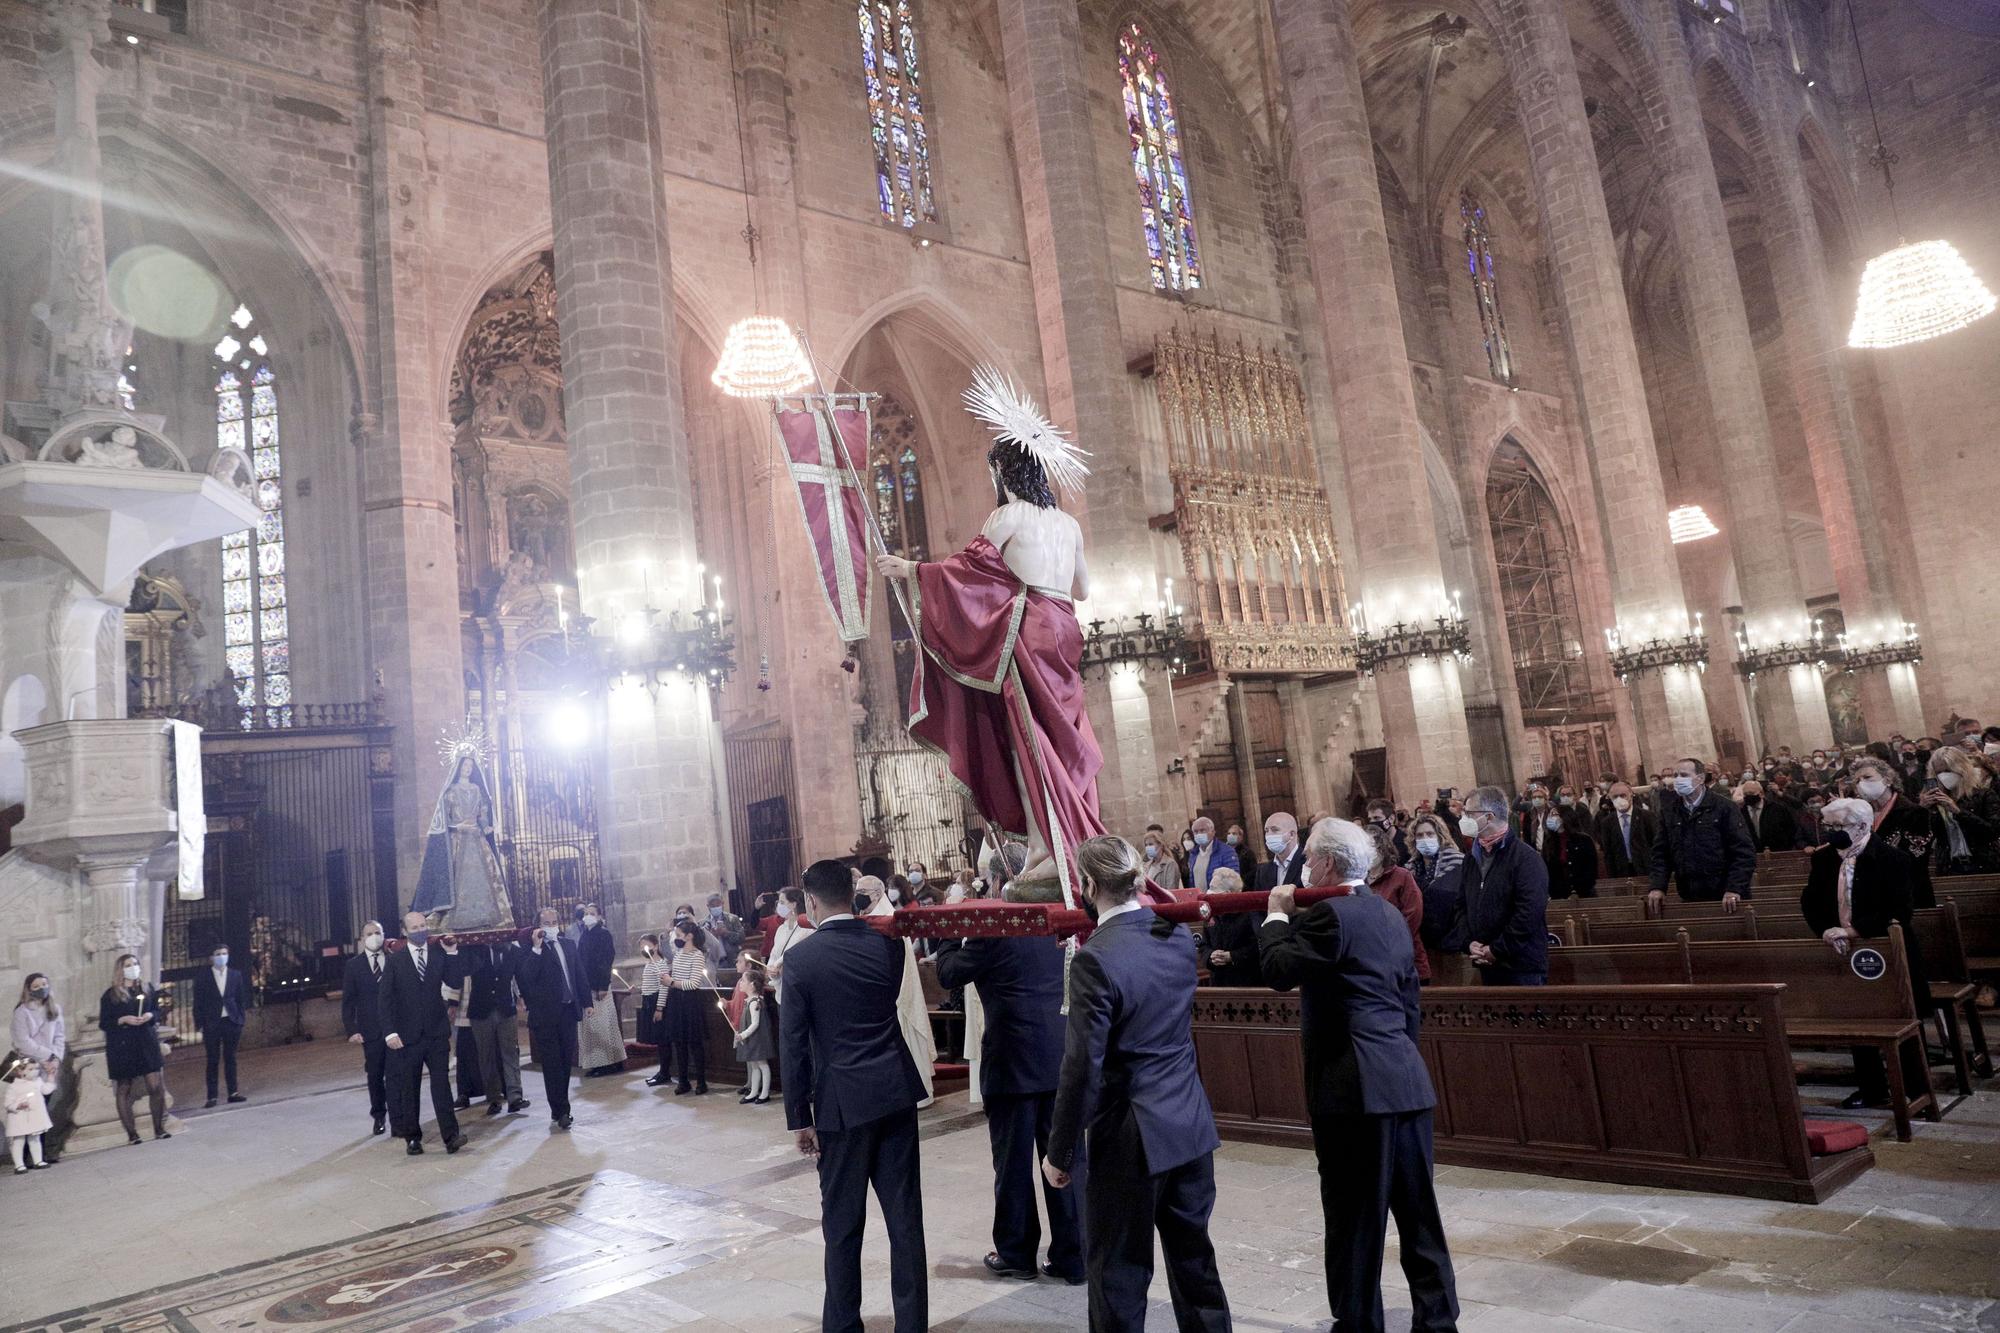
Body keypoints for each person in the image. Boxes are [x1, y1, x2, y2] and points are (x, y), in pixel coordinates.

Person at [874, 371, 1103, 900]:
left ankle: (1050, 853)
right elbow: (1084, 590)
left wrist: (909, 569)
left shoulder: (1008, 514)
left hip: (1029, 629)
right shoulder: (1068, 525)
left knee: (1031, 740)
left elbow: (966, 570)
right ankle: (1074, 838)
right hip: (1066, 630)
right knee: (1065, 737)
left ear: (1004, 470)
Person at [1260, 818, 1459, 1333]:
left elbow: (1280, 972)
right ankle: (1438, 1320)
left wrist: (1276, 917)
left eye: (1308, 856)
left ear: (1325, 863)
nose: (1303, 864)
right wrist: (1399, 1063)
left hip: (1354, 1090)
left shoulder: (1329, 915)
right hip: (1404, 1079)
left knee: (1354, 1216)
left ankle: (1358, 1322)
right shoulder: (1388, 913)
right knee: (1418, 1212)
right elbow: (1409, 1000)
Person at [1043, 835, 1231, 1332]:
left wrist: (1059, 1151)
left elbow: (1082, 1065)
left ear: (1087, 885)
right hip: (1188, 1122)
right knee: (1196, 1263)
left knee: (1119, 1270)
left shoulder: (1095, 958)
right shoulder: (1175, 938)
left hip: (1130, 1135)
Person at [783, 858, 930, 1333]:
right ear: (852, 894)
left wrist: (798, 1117)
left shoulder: (802, 959)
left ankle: (843, 1326)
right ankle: (912, 1325)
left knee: (843, 1226)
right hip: (893, 1092)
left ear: (810, 901)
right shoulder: (888, 947)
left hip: (840, 1106)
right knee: (905, 1220)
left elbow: (794, 1046)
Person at [932, 909, 1084, 1286]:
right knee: (1065, 1158)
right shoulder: (1056, 923)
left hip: (1012, 1061)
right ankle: (1074, 1255)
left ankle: (1017, 1253)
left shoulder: (995, 930)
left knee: (1013, 1164)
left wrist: (952, 929)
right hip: (1059, 1057)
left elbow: (949, 972)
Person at [1801, 798, 1933, 1110]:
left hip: (1888, 946)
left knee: (1903, 1015)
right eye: (1828, 826)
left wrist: (1852, 930)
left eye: (1838, 826)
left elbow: (1899, 910)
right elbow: (1810, 903)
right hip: (1843, 948)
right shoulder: (1824, 860)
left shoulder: (1893, 859)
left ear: (1862, 826)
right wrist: (1826, 930)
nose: (1831, 832)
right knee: (1857, 1016)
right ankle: (1872, 1088)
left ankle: (1918, 1088)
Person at [1434, 786, 1549, 986]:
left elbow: (1529, 913)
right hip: (1485, 961)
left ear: (1488, 817)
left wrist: (1497, 950)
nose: (1463, 819)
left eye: (1469, 813)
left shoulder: (1526, 858)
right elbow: (1462, 905)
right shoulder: (1472, 857)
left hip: (1521, 966)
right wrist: (1469, 942)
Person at [378, 913, 465, 1156]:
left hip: (436, 1032)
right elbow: (385, 1000)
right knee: (410, 1087)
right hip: (408, 1035)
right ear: (405, 932)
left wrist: (453, 953)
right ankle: (413, 1138)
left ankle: (451, 1136)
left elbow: (455, 980)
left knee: (441, 1086)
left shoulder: (438, 952)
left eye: (423, 926)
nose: (420, 930)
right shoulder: (396, 961)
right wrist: (389, 1033)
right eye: (415, 927)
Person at [860, 874, 937, 1108]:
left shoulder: (887, 917)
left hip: (898, 990)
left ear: (875, 893)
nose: (857, 895)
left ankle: (918, 1094)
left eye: (861, 891)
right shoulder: (872, 915)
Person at [515, 906, 589, 1130]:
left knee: (566, 1062)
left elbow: (578, 973)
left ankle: (561, 1106)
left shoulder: (568, 944)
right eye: (546, 923)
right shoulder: (528, 950)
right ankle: (560, 1110)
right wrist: (537, 949)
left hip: (568, 1012)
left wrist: (587, 1002)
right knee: (552, 1064)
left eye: (554, 921)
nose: (552, 926)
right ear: (538, 926)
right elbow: (526, 977)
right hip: (545, 1016)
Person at [1648, 758, 1756, 912]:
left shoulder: (1725, 807)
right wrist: (1657, 886)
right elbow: (1660, 853)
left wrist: (1735, 888)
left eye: (1684, 775)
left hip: (1726, 895)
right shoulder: (1670, 812)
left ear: (1700, 778)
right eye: (1676, 775)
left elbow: (1743, 852)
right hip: (1690, 894)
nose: (1678, 780)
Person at [99, 954, 169, 1144]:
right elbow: (104, 1023)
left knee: (155, 1086)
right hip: (123, 1044)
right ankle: (132, 1134)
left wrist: (149, 1015)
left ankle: (159, 1128)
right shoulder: (111, 994)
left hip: (146, 1041)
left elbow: (156, 1011)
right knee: (124, 1088)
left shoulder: (146, 989)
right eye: (128, 965)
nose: (133, 967)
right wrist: (123, 1019)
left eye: (135, 964)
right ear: (120, 970)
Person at [1851, 755, 1937, 907]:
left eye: (1867, 777)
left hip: (1908, 894)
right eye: (1857, 781)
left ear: (1888, 779)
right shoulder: (1860, 816)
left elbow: (1915, 860)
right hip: (1875, 896)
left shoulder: (1913, 813)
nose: (1861, 783)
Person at [456, 943, 527, 1117]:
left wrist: (523, 998)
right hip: (481, 1011)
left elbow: (520, 977)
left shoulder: (513, 950)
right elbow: (463, 970)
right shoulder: (474, 949)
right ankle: (494, 1097)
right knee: (486, 1055)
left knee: (510, 1052)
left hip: (505, 1009)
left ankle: (514, 1096)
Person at [340, 923, 392, 1134]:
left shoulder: (394, 959)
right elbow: (348, 1001)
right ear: (362, 939)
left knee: (397, 1074)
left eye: (378, 933)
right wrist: (351, 1029)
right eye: (369, 934)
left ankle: (399, 1115)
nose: (374, 937)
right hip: (371, 1031)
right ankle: (379, 1115)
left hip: (395, 1028)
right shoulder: (354, 965)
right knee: (375, 1074)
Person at [1364, 825, 1430, 984]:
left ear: (1382, 848)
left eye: (1370, 846)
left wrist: (1389, 942)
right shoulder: (1359, 880)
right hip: (1372, 964)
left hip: (1405, 958)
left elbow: (1414, 915)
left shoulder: (1401, 876)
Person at [10, 975, 64, 1165]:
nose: (42, 988)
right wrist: (47, 1057)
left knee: (45, 1110)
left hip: (50, 1067)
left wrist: (56, 1059)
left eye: (44, 984)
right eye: (36, 986)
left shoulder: (55, 1009)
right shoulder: (22, 1012)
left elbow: (59, 1036)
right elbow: (23, 1041)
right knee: (30, 1110)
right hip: (30, 1067)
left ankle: (42, 1152)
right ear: (28, 989)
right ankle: (25, 1156)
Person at [1925, 745, 2000, 874]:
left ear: (1961, 769)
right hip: (1949, 865)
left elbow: (1992, 831)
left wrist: (1958, 812)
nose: (1944, 776)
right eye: (1939, 772)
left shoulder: (1984, 795)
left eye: (1948, 770)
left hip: (1983, 863)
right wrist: (1923, 810)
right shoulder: (1935, 800)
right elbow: (1929, 838)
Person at [659, 917, 712, 1096]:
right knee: (679, 1043)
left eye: (679, 935)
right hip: (676, 1000)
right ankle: (683, 1080)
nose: (677, 938)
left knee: (694, 1043)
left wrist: (672, 981)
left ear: (689, 936)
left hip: (690, 1002)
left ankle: (701, 1082)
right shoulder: (679, 953)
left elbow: (694, 983)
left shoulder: (697, 955)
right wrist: (668, 979)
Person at [192, 941, 248, 1109]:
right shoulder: (203, 977)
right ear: (211, 958)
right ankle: (212, 1096)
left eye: (224, 953)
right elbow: (198, 1003)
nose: (221, 957)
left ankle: (233, 1092)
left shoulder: (235, 975)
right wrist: (200, 1023)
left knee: (231, 1058)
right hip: (212, 1022)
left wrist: (240, 1019)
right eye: (218, 954)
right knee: (212, 1059)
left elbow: (240, 999)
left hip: (231, 1021)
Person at [574, 903, 623, 1076]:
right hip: (586, 986)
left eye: (592, 913)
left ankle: (607, 1063)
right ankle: (596, 1063)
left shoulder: (603, 934)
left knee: (602, 1025)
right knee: (591, 1027)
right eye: (586, 913)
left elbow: (605, 960)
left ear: (600, 916)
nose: (588, 916)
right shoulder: (585, 934)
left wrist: (603, 985)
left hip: (598, 986)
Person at [1201, 866, 1262, 988]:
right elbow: (1203, 945)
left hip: (1246, 983)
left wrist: (1232, 956)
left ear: (1227, 894)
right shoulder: (1210, 914)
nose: (1208, 892)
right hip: (1218, 983)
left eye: (1213, 888)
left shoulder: (1249, 914)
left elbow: (1256, 947)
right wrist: (1210, 956)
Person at [3, 1052, 57, 1173]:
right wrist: (18, 1105)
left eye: (36, 1068)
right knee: (19, 1141)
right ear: (20, 1072)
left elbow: (46, 1090)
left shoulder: (37, 1082)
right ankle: (19, 1164)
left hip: (34, 1116)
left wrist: (50, 1076)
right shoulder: (14, 1087)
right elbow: (8, 1104)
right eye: (31, 1069)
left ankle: (38, 1160)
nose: (35, 1071)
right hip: (20, 1117)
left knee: (35, 1138)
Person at [732, 959, 776, 1105]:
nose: (740, 983)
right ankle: (753, 1092)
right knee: (754, 1065)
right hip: (752, 1038)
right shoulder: (749, 1000)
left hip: (757, 1038)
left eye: (743, 980)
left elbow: (755, 1024)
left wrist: (742, 1035)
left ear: (752, 985)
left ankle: (764, 1093)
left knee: (762, 1064)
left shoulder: (755, 1002)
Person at [1543, 804, 1599, 900]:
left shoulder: (1584, 840)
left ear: (1565, 817)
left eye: (1555, 814)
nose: (1551, 818)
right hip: (1558, 896)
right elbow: (1547, 870)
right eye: (1550, 815)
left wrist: (1576, 891)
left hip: (1583, 894)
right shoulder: (1548, 842)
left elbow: (1591, 870)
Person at [1405, 813, 1463, 894]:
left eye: (1430, 834)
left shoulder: (1456, 862)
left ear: (1440, 836)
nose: (1425, 838)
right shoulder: (1410, 866)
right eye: (1420, 835)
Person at [1737, 780, 1799, 853]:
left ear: (1761, 794)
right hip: (1751, 855)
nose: (1748, 796)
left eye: (1751, 793)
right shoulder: (1740, 813)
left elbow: (1791, 830)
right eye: (1745, 794)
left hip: (1777, 853)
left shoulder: (1778, 809)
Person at [1187, 815, 1239, 891]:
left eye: (1202, 830)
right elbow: (1192, 881)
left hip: (1219, 898)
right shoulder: (1193, 854)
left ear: (1213, 832)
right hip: (1200, 899)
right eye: (1196, 832)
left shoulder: (1227, 851)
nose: (1199, 834)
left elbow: (1233, 879)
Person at [636, 932, 666, 1050]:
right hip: (647, 1001)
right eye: (641, 948)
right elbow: (648, 985)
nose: (644, 950)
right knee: (654, 1037)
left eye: (646, 946)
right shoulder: (649, 964)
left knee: (661, 1036)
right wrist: (637, 989)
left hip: (655, 1001)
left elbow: (664, 987)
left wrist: (659, 1008)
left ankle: (665, 1067)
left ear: (656, 946)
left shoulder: (660, 964)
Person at [1142, 828, 1183, 895]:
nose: (1148, 847)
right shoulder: (1147, 866)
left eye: (1151, 844)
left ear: (1160, 845)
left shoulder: (1170, 864)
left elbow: (1171, 890)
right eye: (1146, 845)